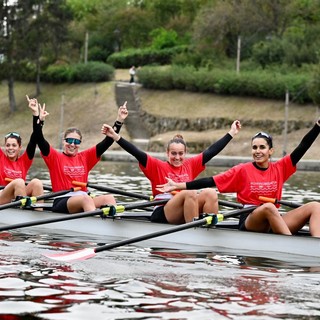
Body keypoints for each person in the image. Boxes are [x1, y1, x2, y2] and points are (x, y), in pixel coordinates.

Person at [156, 118, 320, 236]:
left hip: (273, 220)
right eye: (254, 147)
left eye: (262, 147)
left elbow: (303, 146)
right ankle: (292, 245)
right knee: (269, 207)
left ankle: (315, 245)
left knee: (315, 206)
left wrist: (317, 127)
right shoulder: (242, 170)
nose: (257, 151)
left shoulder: (281, 168)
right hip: (250, 220)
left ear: (271, 151)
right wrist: (179, 186)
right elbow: (210, 181)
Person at [101, 119, 241, 224]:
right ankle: (194, 231)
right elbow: (136, 152)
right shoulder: (156, 166)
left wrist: (231, 133)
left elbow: (212, 151)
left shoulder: (190, 165)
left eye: (181, 154)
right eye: (173, 153)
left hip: (186, 206)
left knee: (210, 192)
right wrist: (116, 137)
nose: (177, 157)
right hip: (163, 211)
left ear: (185, 153)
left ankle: (210, 231)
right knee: (190, 192)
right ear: (167, 153)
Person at [31, 98, 128, 214]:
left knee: (109, 198)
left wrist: (119, 121)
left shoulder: (85, 157)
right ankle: (97, 225)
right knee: (85, 199)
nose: (72, 144)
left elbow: (107, 142)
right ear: (64, 141)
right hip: (62, 200)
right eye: (69, 140)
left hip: (84, 198)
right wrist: (37, 118)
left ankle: (113, 225)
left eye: (76, 142)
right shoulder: (54, 157)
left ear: (80, 144)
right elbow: (39, 138)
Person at [0, 96, 44, 205]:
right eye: (8, 145)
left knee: (36, 183)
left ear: (20, 147)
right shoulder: (1, 157)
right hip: (1, 195)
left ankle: (39, 213)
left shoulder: (24, 161)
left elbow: (34, 139)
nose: (10, 148)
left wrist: (36, 115)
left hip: (18, 197)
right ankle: (23, 211)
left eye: (14, 145)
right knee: (19, 182)